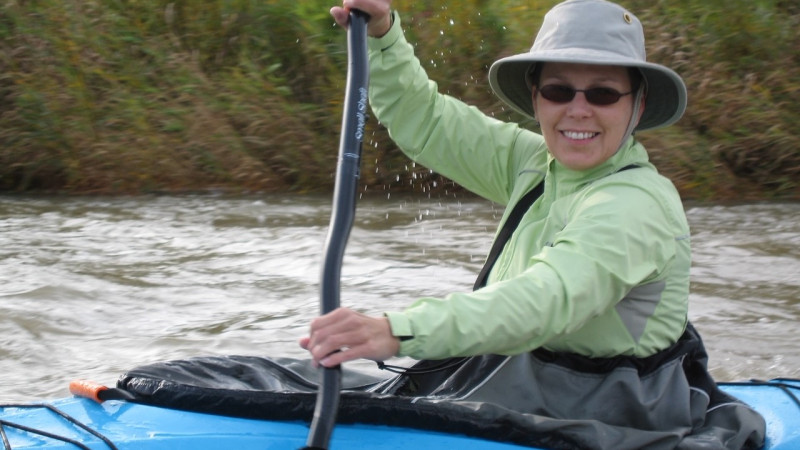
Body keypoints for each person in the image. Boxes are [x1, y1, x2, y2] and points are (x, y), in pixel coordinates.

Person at [301, 0, 766, 448]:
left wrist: (396, 330)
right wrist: (383, 34)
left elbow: (545, 300)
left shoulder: (637, 206)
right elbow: (426, 120)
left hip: (611, 420)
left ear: (637, 107)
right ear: (536, 98)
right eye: (559, 91)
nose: (578, 110)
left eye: (602, 93)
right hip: (527, 390)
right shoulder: (534, 163)